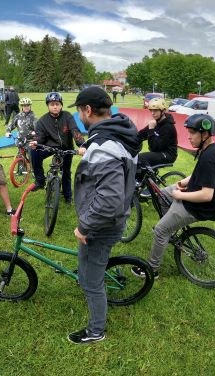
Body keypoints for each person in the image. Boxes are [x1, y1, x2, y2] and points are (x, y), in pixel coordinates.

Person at [69, 86, 141, 344]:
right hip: (116, 218)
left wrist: (84, 227)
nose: (79, 117)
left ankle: (95, 331)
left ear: (88, 110)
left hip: (102, 225)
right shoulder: (120, 134)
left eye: (79, 111)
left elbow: (108, 200)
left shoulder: (104, 145)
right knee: (94, 268)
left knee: (90, 281)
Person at [132, 114, 215, 279]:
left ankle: (152, 270)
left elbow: (206, 195)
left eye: (192, 133)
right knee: (161, 194)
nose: (188, 137)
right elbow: (200, 173)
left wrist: (179, 195)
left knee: (161, 230)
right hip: (192, 194)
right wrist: (184, 182)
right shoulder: (210, 149)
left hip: (198, 207)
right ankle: (171, 227)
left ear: (205, 135)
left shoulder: (209, 157)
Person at [29, 92, 85, 204]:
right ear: (48, 106)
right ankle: (40, 180)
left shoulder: (67, 116)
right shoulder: (42, 121)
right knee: (33, 151)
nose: (55, 106)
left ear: (61, 105)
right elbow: (40, 136)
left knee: (66, 172)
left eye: (57, 104)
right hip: (51, 147)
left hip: (66, 148)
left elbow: (75, 131)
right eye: (52, 104)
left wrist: (82, 145)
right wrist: (36, 142)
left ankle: (68, 195)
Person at [135, 97, 177, 196]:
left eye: (155, 110)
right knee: (135, 157)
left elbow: (154, 147)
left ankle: (151, 187)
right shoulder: (156, 122)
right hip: (159, 152)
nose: (152, 113)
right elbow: (140, 135)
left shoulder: (168, 127)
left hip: (168, 154)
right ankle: (140, 183)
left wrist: (151, 130)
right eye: (151, 110)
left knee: (142, 157)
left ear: (163, 111)